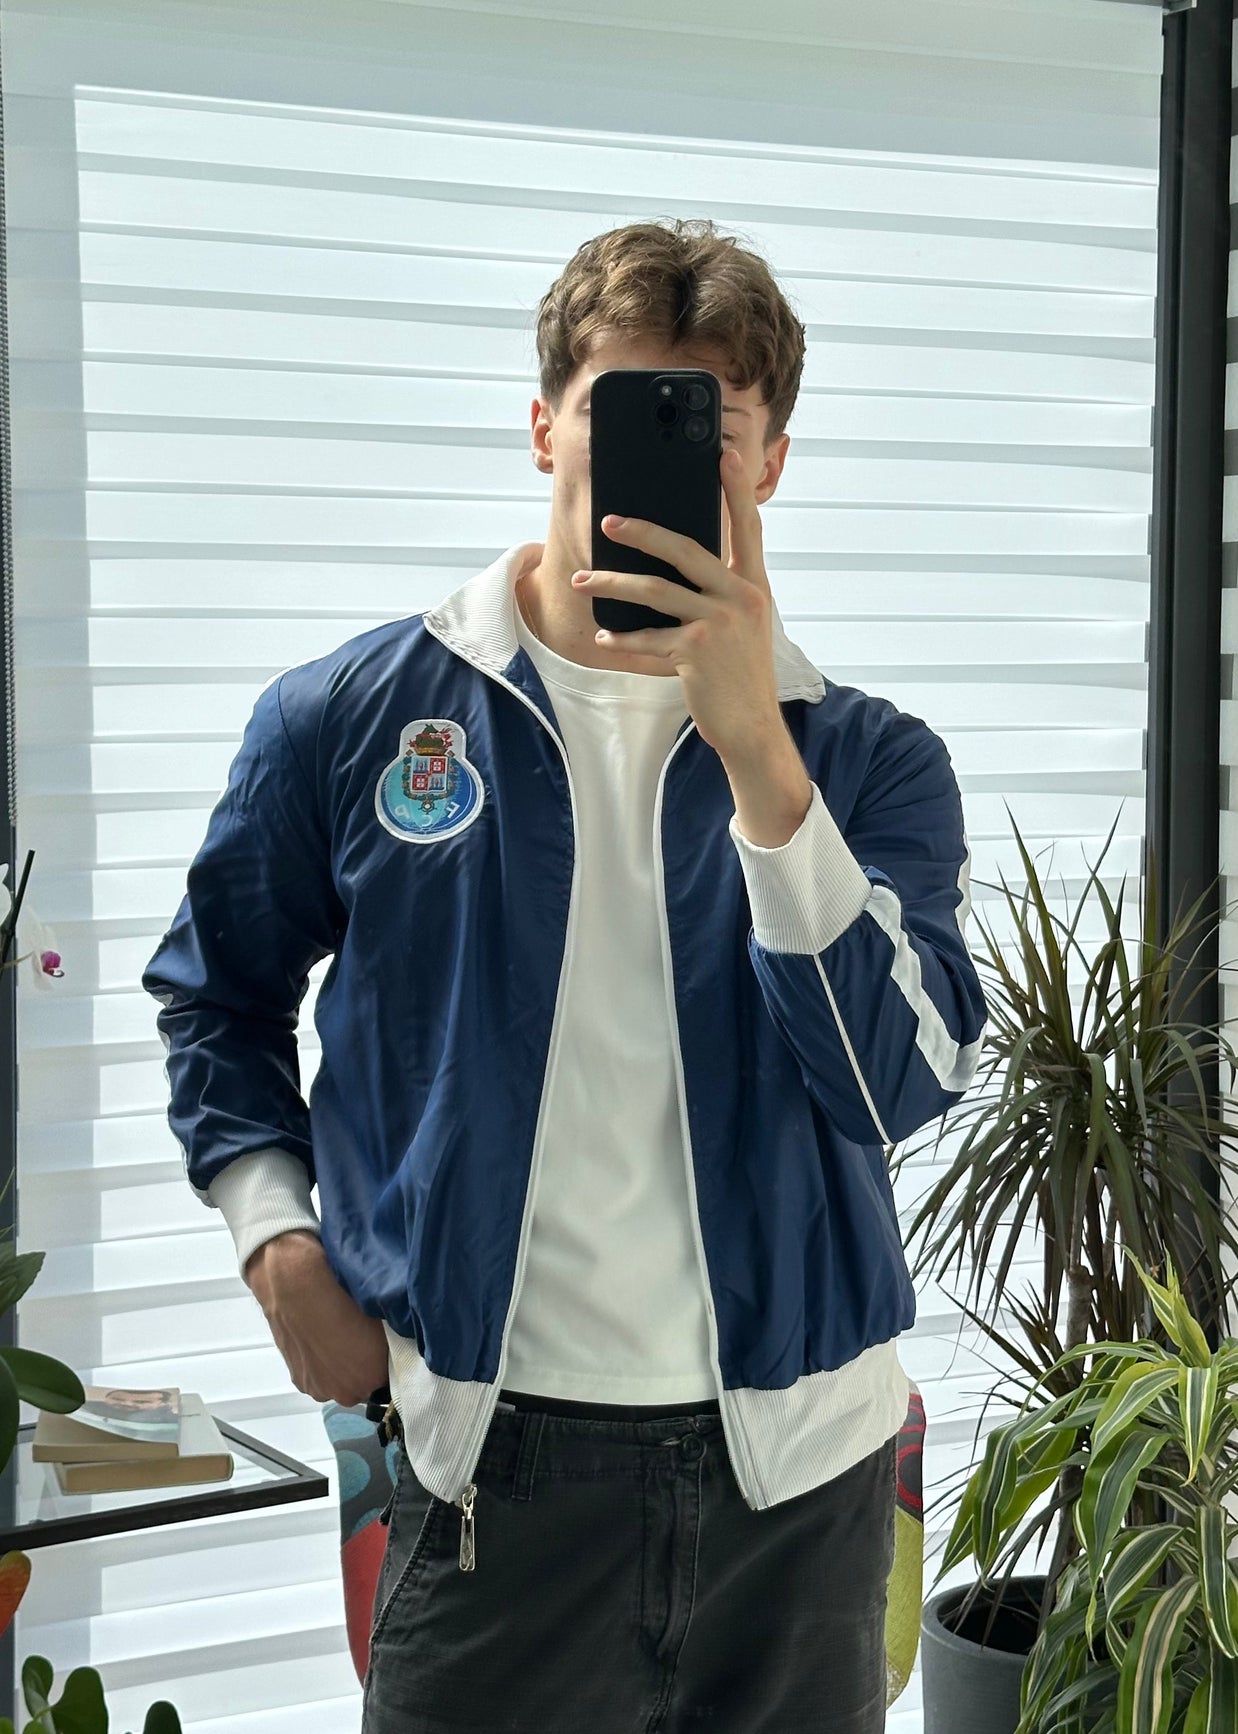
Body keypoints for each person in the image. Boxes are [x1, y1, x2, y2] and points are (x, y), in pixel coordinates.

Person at [142, 216, 988, 1734]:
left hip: (799, 1492)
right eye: (619, 410)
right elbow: (218, 993)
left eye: (711, 430)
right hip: (486, 1472)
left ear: (771, 463)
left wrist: (758, 754)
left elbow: (895, 1084)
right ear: (543, 424)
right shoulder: (350, 716)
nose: (663, 461)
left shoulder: (864, 762)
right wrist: (276, 1244)